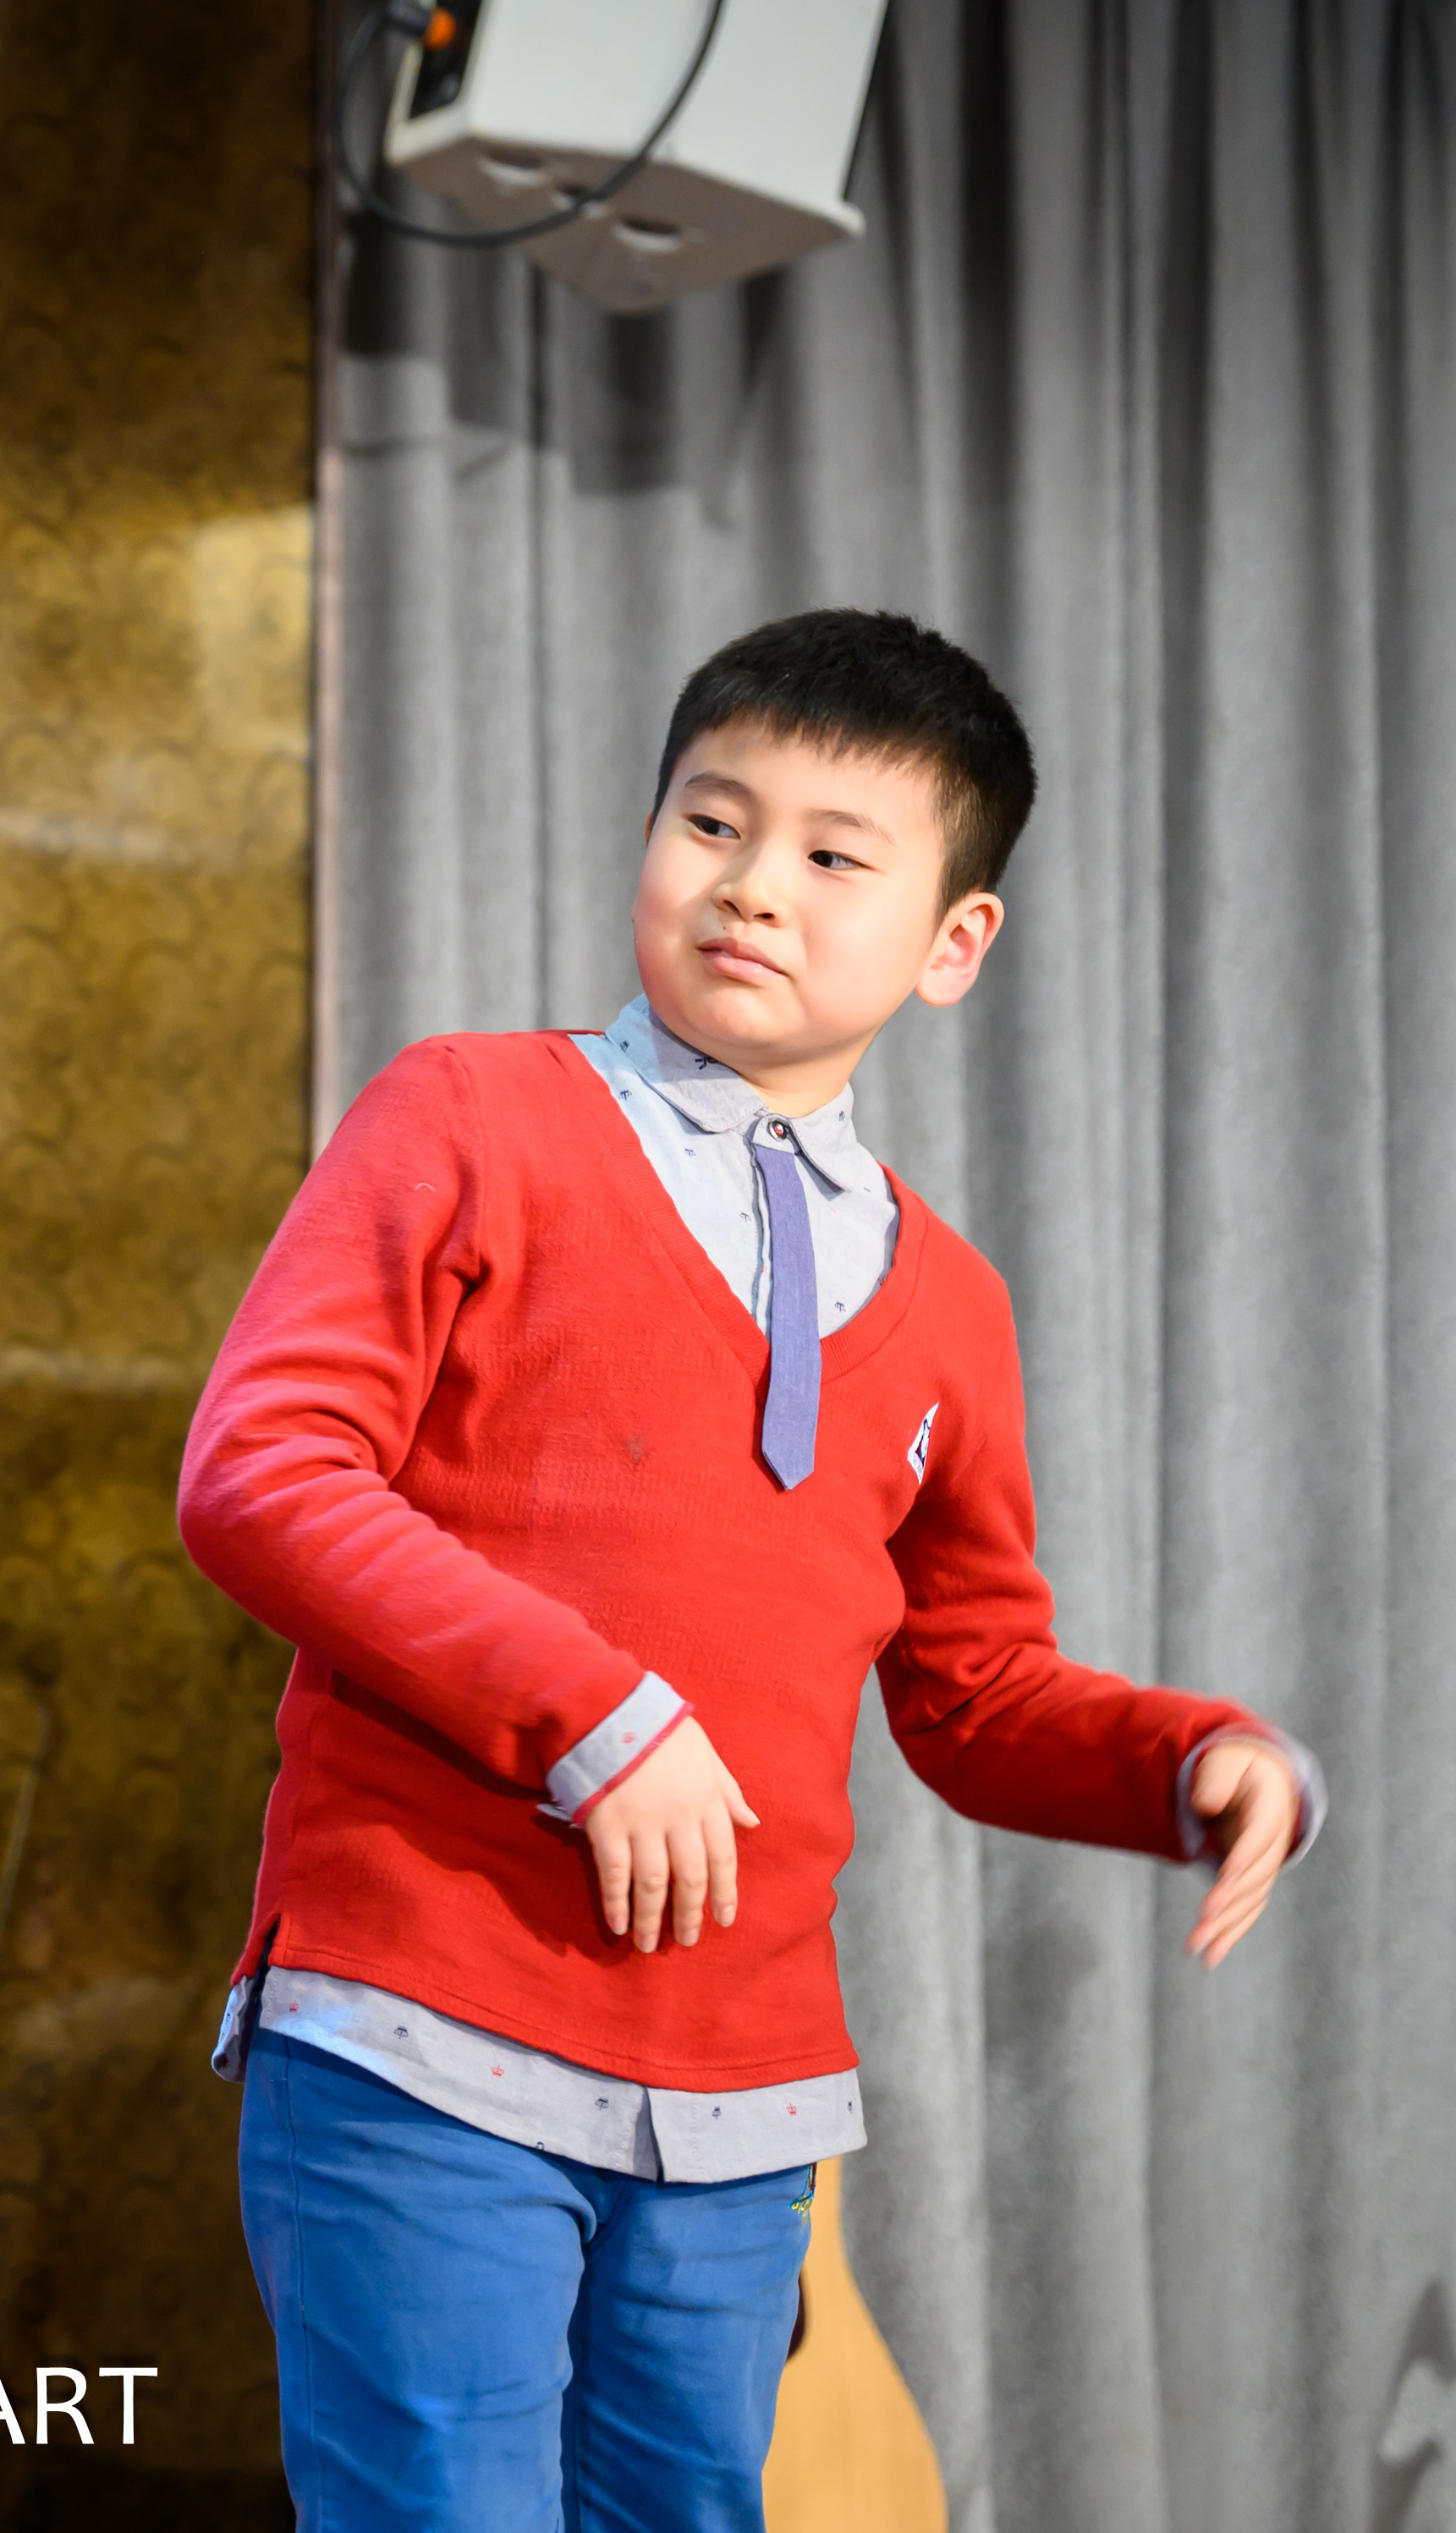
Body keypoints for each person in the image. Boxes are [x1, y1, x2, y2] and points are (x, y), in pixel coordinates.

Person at [179, 610, 1321, 2530]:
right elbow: (261, 1472)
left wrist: (1188, 1756)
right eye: (712, 822)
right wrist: (592, 1713)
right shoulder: (472, 1113)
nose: (752, 885)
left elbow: (975, 1690)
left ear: (955, 942)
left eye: (833, 854)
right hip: (417, 2024)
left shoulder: (954, 1305)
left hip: (743, 2097)